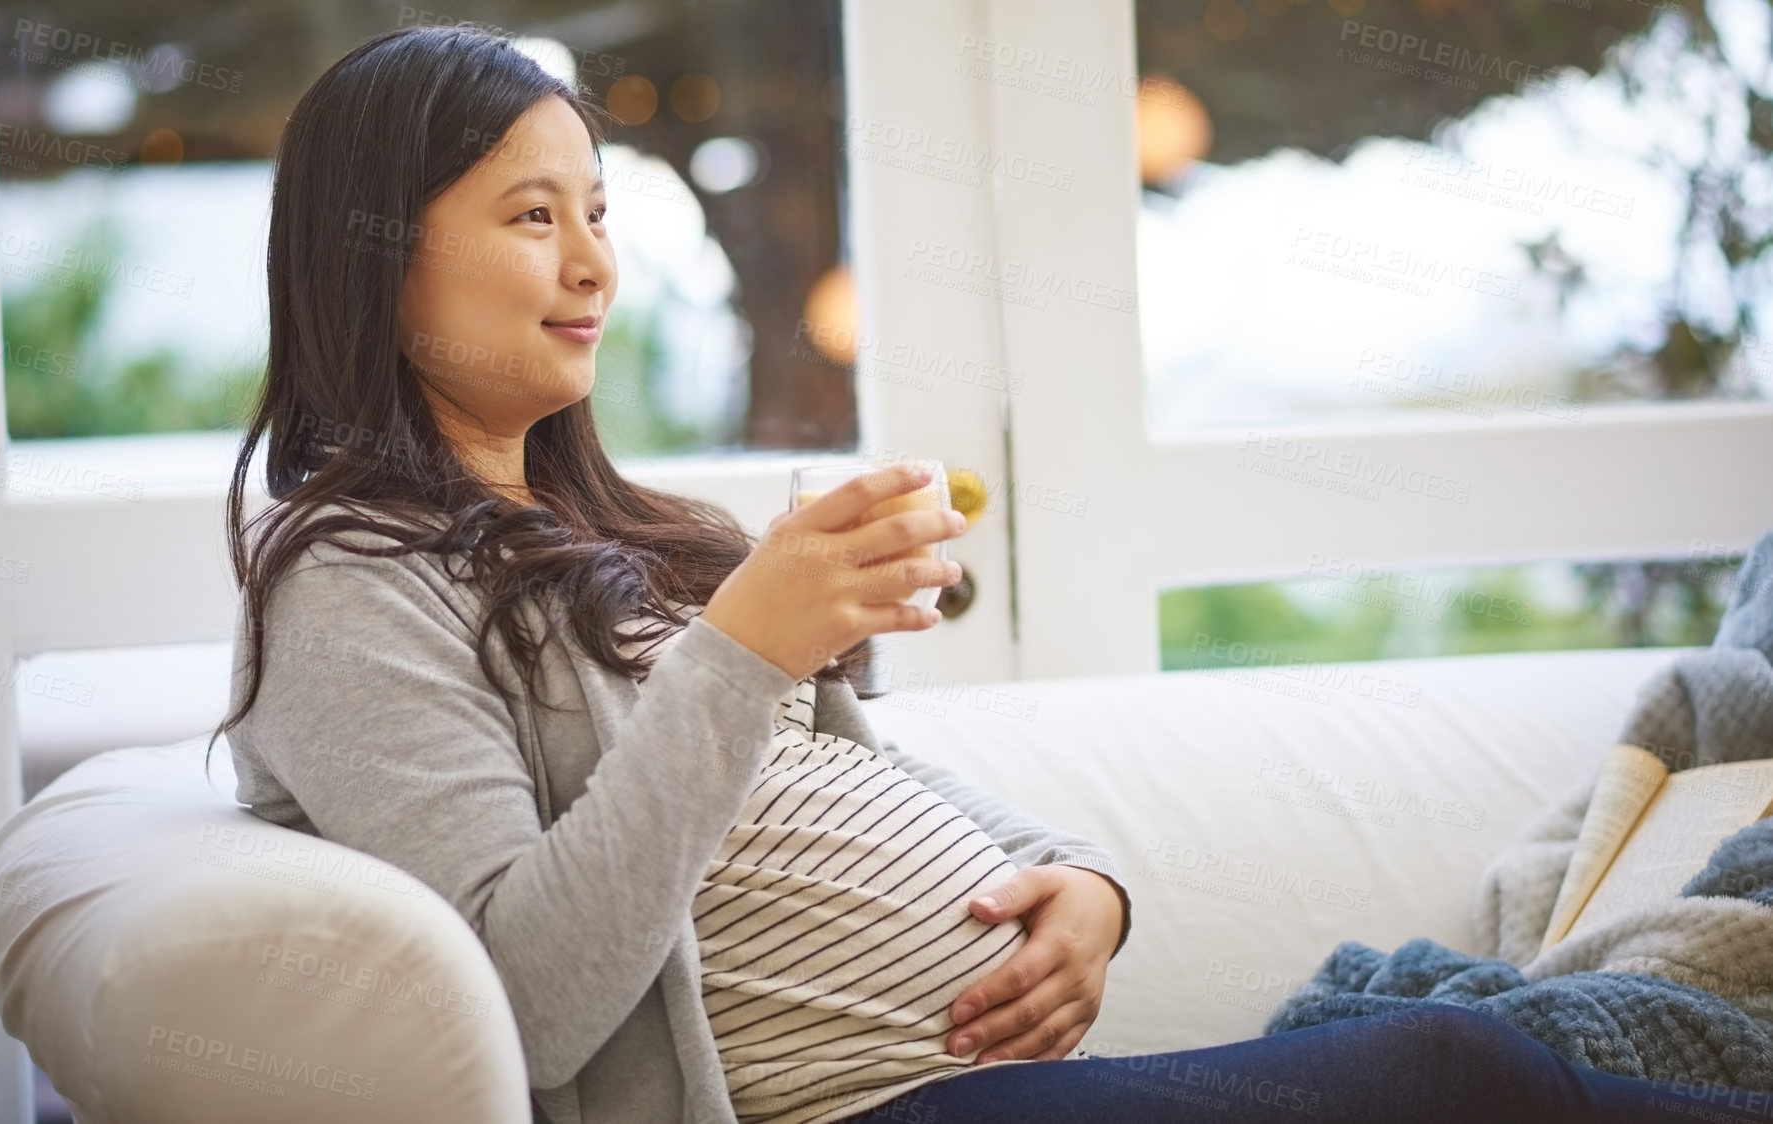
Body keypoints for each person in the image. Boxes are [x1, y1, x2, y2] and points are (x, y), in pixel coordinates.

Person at [209, 24, 1770, 1124]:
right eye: (530, 215)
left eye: (601, 215)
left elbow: (859, 796)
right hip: (852, 1114)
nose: (596, 266)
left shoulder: (620, 537)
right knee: (1452, 1076)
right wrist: (739, 652)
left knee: (1457, 1068)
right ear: (373, 251)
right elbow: (520, 1006)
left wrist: (1086, 886)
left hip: (974, 1084)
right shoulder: (348, 584)